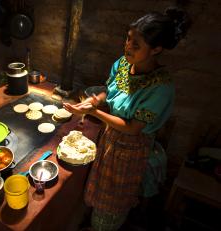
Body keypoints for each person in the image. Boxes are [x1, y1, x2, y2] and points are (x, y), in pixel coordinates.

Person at [63, 7, 190, 231]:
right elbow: (108, 92)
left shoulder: (160, 87)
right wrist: (95, 101)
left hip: (131, 150)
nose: (127, 46)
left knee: (111, 206)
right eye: (128, 38)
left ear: (156, 49)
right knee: (98, 193)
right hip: (110, 138)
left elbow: (132, 128)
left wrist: (94, 112)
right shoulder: (122, 65)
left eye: (136, 44)